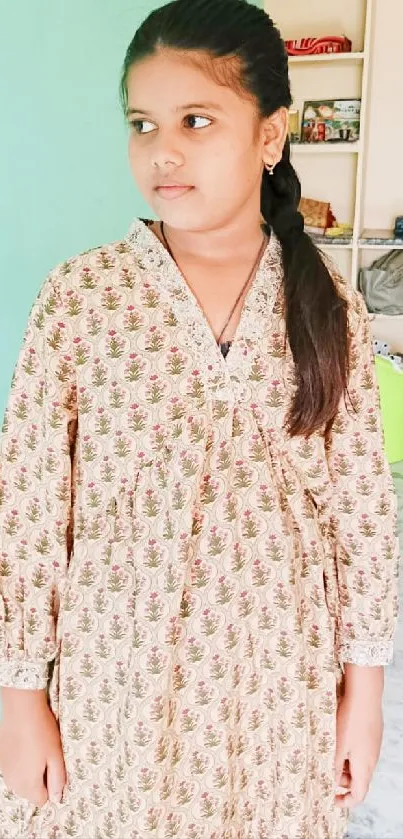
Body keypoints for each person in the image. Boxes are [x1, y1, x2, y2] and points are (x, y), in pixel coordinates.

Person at [0, 1, 399, 837]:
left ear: (269, 136)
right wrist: (20, 694)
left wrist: (362, 696)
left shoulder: (325, 306)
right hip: (114, 678)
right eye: (141, 124)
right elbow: (27, 513)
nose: (161, 150)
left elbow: (364, 514)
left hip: (277, 679)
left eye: (195, 119)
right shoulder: (82, 299)